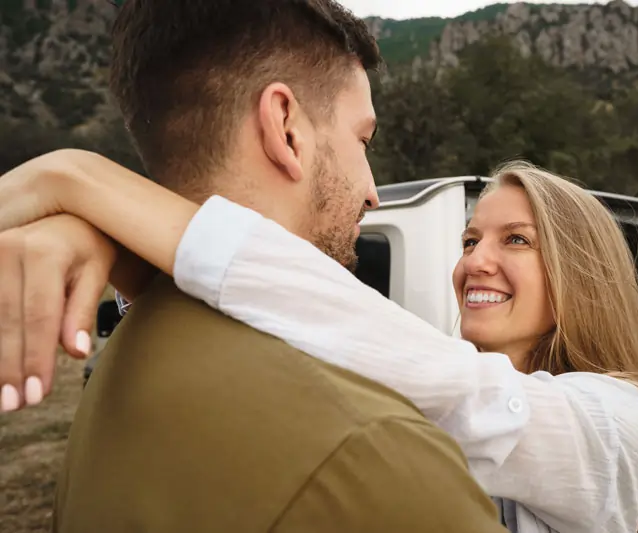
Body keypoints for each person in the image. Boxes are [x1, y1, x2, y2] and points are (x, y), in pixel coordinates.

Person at [0, 1, 514, 532]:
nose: (372, 192)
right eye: (363, 140)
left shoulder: (119, 367)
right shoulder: (373, 451)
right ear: (286, 127)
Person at [0, 151, 638, 532]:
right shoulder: (427, 373)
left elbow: (377, 342)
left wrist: (75, 181)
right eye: (470, 239)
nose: (475, 261)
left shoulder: (620, 418)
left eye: (516, 240)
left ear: (581, 275)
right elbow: (278, 356)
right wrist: (114, 254)